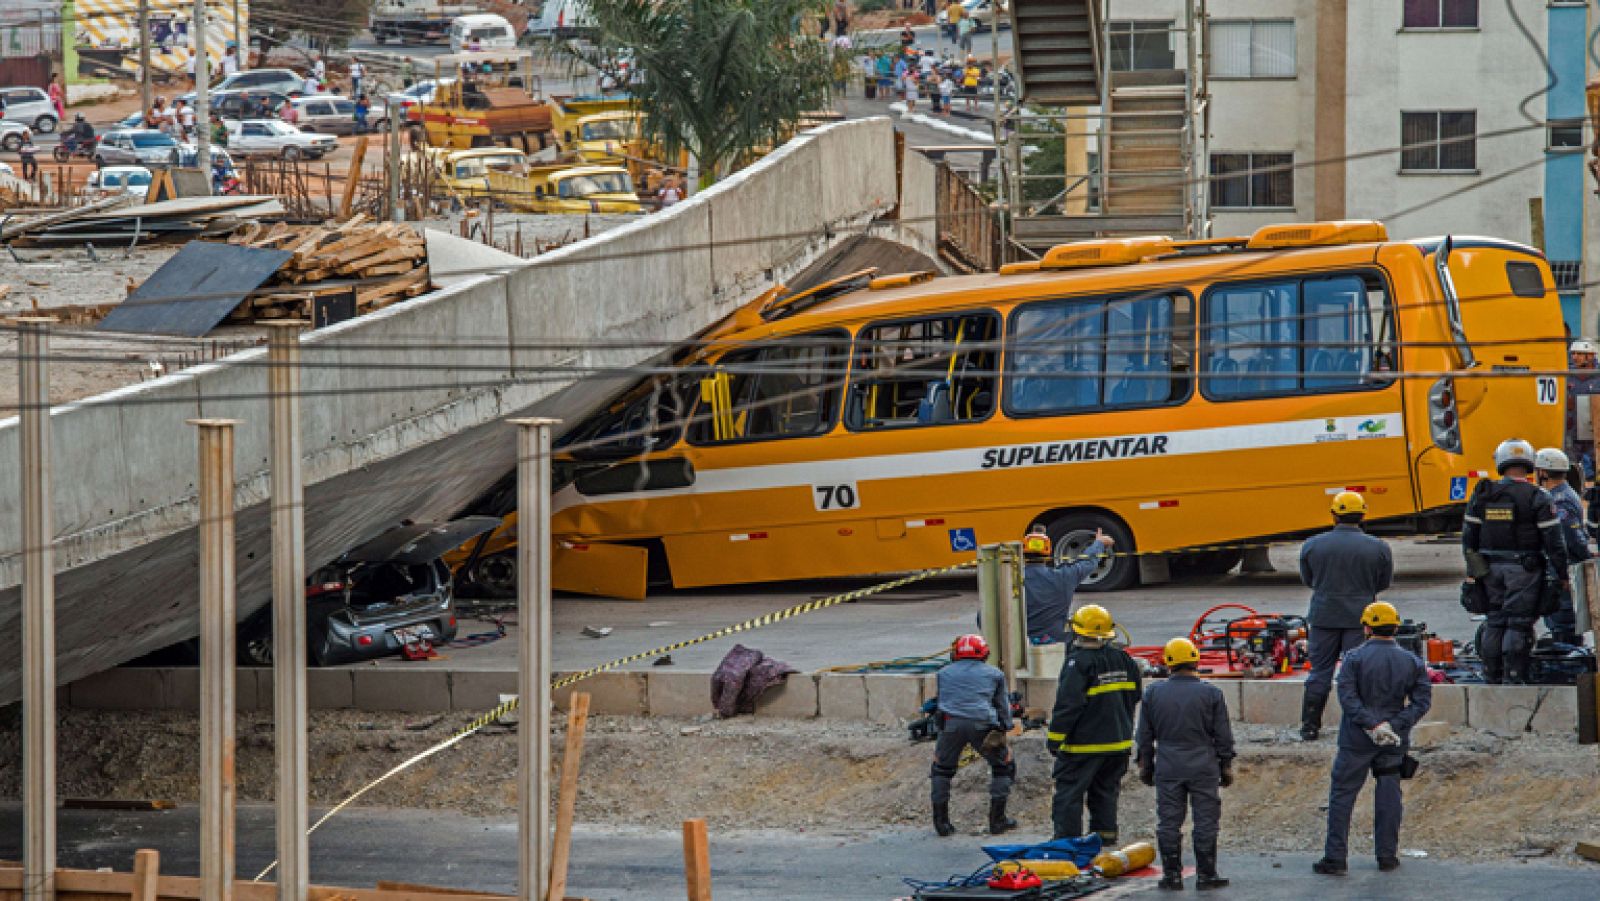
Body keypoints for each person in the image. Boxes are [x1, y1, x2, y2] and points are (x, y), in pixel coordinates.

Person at [1313, 601, 1432, 876]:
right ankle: (1387, 856)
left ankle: (1335, 858)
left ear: (1366, 627)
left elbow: (1348, 698)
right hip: (1393, 740)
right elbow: (1421, 701)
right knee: (1389, 795)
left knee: (1343, 796)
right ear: (1396, 627)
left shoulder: (1354, 659)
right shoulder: (1411, 661)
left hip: (1356, 739)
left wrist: (1371, 725)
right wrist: (1393, 725)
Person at [1463, 439, 1569, 684]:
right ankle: (1514, 677)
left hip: (1489, 570)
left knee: (1495, 621)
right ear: (1530, 463)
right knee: (1518, 623)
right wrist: (1562, 575)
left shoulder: (1482, 494)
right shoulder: (1538, 497)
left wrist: (1474, 573)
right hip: (1524, 570)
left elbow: (1469, 539)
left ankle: (1491, 674)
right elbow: (1554, 542)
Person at [1136, 638, 1234, 891]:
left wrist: (1146, 766)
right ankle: (1207, 874)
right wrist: (1225, 765)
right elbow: (1223, 735)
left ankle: (1172, 876)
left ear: (1168, 663)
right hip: (1203, 765)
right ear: (1195, 660)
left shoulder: (1154, 693)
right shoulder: (1211, 693)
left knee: (1169, 822)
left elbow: (1144, 736)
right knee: (1206, 821)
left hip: (1168, 765)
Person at [1297, 491, 1393, 740]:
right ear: (1362, 515)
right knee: (1358, 673)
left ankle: (1309, 726)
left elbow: (1309, 580)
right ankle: (1360, 726)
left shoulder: (1313, 545)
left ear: (1334, 515)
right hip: (1361, 619)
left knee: (1319, 672)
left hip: (1323, 616)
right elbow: (1382, 583)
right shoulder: (1378, 547)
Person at [1047, 604, 1141, 843]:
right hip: (1118, 743)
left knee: (1069, 793)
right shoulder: (1123, 659)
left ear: (1078, 632)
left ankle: (1066, 843)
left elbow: (1068, 705)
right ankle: (1105, 839)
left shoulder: (1077, 663)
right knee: (1106, 792)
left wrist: (1055, 739)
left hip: (1083, 747)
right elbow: (1135, 694)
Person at [930, 634, 1018, 837]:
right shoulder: (994, 674)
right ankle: (997, 821)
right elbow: (1002, 705)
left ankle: (941, 823)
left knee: (941, 770)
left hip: (950, 724)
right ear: (985, 653)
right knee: (1003, 766)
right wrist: (1005, 727)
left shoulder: (943, 673)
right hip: (982, 723)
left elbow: (942, 702)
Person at [1022, 525, 1111, 645]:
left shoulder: (1012, 580)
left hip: (1021, 645)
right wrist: (1099, 543)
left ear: (1022, 553)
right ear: (1049, 554)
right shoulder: (1064, 576)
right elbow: (1087, 562)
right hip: (1057, 645)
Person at [1535, 447, 1587, 645]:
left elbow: (1571, 537)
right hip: (1566, 569)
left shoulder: (1559, 500)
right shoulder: (1565, 494)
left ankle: (1568, 669)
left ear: (1543, 472)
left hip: (1564, 571)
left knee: (1563, 625)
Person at [1566, 339, 1600, 482]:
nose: (1575, 357)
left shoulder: (1598, 377)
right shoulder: (1566, 375)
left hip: (1594, 435)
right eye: (1573, 354)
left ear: (1591, 356)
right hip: (1572, 435)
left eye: (1580, 354)